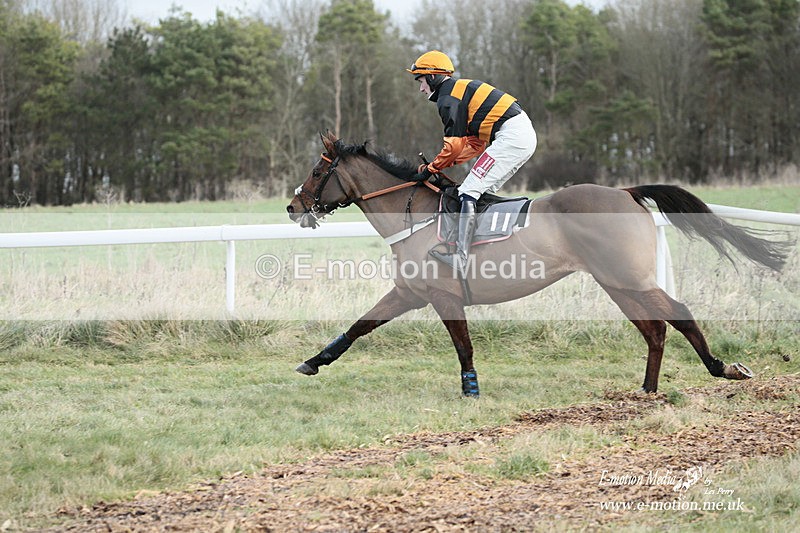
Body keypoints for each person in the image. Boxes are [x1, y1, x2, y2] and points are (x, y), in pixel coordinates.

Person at [407, 50, 537, 277]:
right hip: (519, 135)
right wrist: (441, 165)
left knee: (468, 190)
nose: (421, 88)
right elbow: (475, 145)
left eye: (421, 81)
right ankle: (487, 246)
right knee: (480, 190)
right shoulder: (458, 90)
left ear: (433, 76)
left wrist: (432, 168)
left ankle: (461, 256)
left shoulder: (448, 98)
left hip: (511, 136)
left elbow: (454, 146)